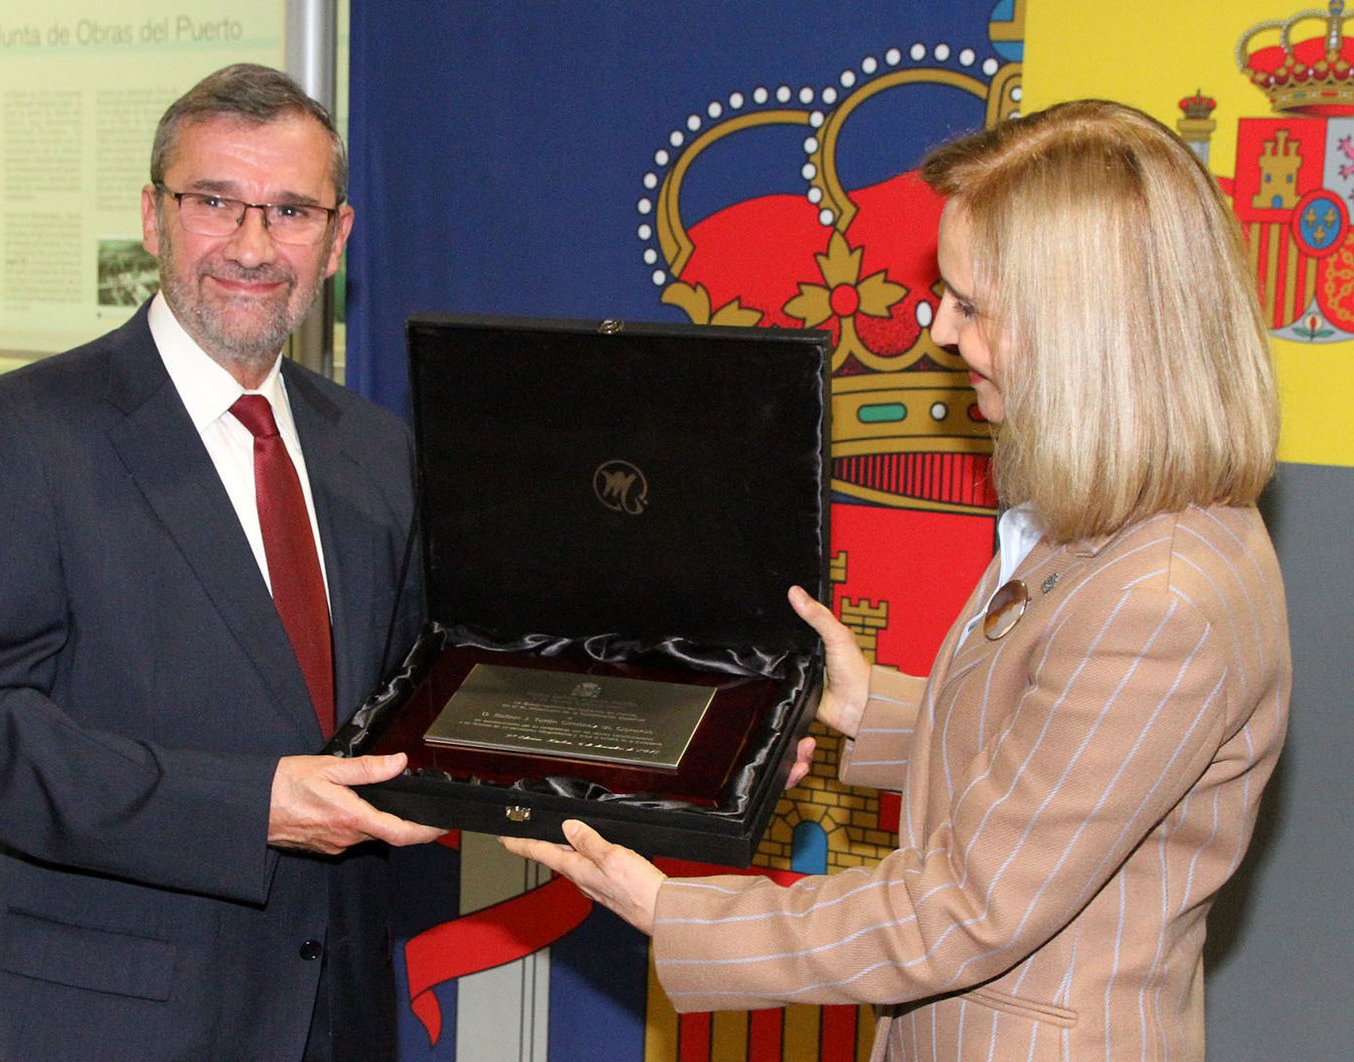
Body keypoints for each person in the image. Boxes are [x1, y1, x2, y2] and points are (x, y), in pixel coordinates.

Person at [505, 99, 1289, 1061]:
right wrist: (864, 703)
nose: (941, 331)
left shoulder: (1159, 592)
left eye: (972, 304)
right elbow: (1046, 745)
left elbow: (967, 906)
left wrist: (677, 910)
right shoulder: (1118, 521)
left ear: (1085, 330)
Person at [0, 64, 442, 1061]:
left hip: (336, 1017)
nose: (250, 244)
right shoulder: (20, 432)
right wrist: (249, 807)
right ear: (153, 217)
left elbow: (416, 701)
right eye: (214, 202)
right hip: (114, 1023)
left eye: (288, 210)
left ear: (336, 239)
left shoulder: (375, 450)